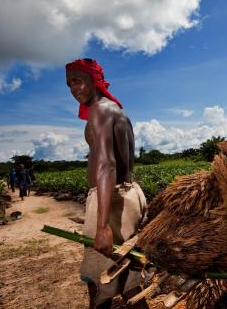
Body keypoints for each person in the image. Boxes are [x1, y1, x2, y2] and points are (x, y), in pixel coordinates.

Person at [65, 58, 148, 309]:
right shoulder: (117, 110)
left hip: (111, 202)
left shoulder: (100, 110)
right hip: (129, 194)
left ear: (94, 80)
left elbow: (106, 165)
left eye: (78, 81)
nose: (74, 89)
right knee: (131, 283)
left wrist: (102, 226)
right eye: (69, 84)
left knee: (100, 284)